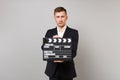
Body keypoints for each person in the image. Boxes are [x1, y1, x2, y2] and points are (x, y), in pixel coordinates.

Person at [42, 7, 79, 80]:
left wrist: (61, 42)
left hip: (67, 71)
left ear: (66, 17)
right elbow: (43, 48)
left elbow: (73, 52)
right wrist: (51, 41)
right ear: (54, 18)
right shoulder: (49, 32)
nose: (60, 19)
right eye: (58, 17)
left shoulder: (74, 32)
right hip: (53, 70)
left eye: (62, 16)